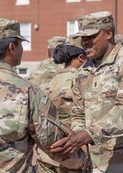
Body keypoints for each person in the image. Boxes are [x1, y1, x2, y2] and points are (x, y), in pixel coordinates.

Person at [0, 17, 86, 172]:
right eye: (21, 44)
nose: (21, 49)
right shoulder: (28, 91)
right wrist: (83, 161)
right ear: (11, 47)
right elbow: (54, 145)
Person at [51, 11, 123, 173]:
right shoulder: (84, 71)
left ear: (108, 33)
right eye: (83, 38)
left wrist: (87, 134)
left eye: (91, 37)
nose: (85, 42)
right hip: (99, 164)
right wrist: (75, 133)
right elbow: (78, 112)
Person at [36, 37, 89, 173]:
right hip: (72, 152)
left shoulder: (54, 80)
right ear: (82, 57)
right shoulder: (80, 80)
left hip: (49, 151)